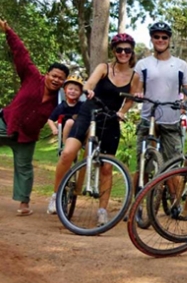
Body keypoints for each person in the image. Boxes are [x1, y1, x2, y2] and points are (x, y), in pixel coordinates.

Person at [50, 33, 138, 223]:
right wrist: (88, 89)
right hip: (89, 113)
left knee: (107, 167)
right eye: (119, 49)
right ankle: (56, 195)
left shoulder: (135, 76)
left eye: (127, 50)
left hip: (110, 118)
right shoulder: (104, 67)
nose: (123, 53)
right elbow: (90, 82)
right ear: (114, 51)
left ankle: (102, 211)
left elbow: (131, 98)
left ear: (132, 52)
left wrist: (123, 111)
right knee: (68, 153)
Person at [0, 19, 69, 216]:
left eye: (60, 78)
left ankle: (23, 204)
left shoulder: (58, 101)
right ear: (47, 74)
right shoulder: (31, 76)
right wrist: (8, 31)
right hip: (5, 123)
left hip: (27, 136)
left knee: (24, 169)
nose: (56, 80)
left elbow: (67, 115)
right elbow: (21, 54)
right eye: (54, 75)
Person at [132, 21, 187, 189]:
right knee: (143, 163)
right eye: (156, 37)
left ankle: (175, 205)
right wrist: (138, 94)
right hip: (148, 118)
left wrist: (184, 104)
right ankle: (135, 204)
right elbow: (136, 88)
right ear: (151, 39)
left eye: (164, 37)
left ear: (169, 40)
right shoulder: (143, 64)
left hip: (171, 119)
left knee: (173, 166)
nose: (160, 40)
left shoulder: (181, 65)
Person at [46, 74, 85, 143]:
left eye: (76, 90)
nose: (73, 91)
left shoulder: (82, 106)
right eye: (70, 89)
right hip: (66, 133)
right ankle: (65, 146)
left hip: (79, 132)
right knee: (70, 122)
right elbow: (50, 119)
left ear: (81, 93)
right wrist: (54, 128)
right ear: (65, 91)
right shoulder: (62, 106)